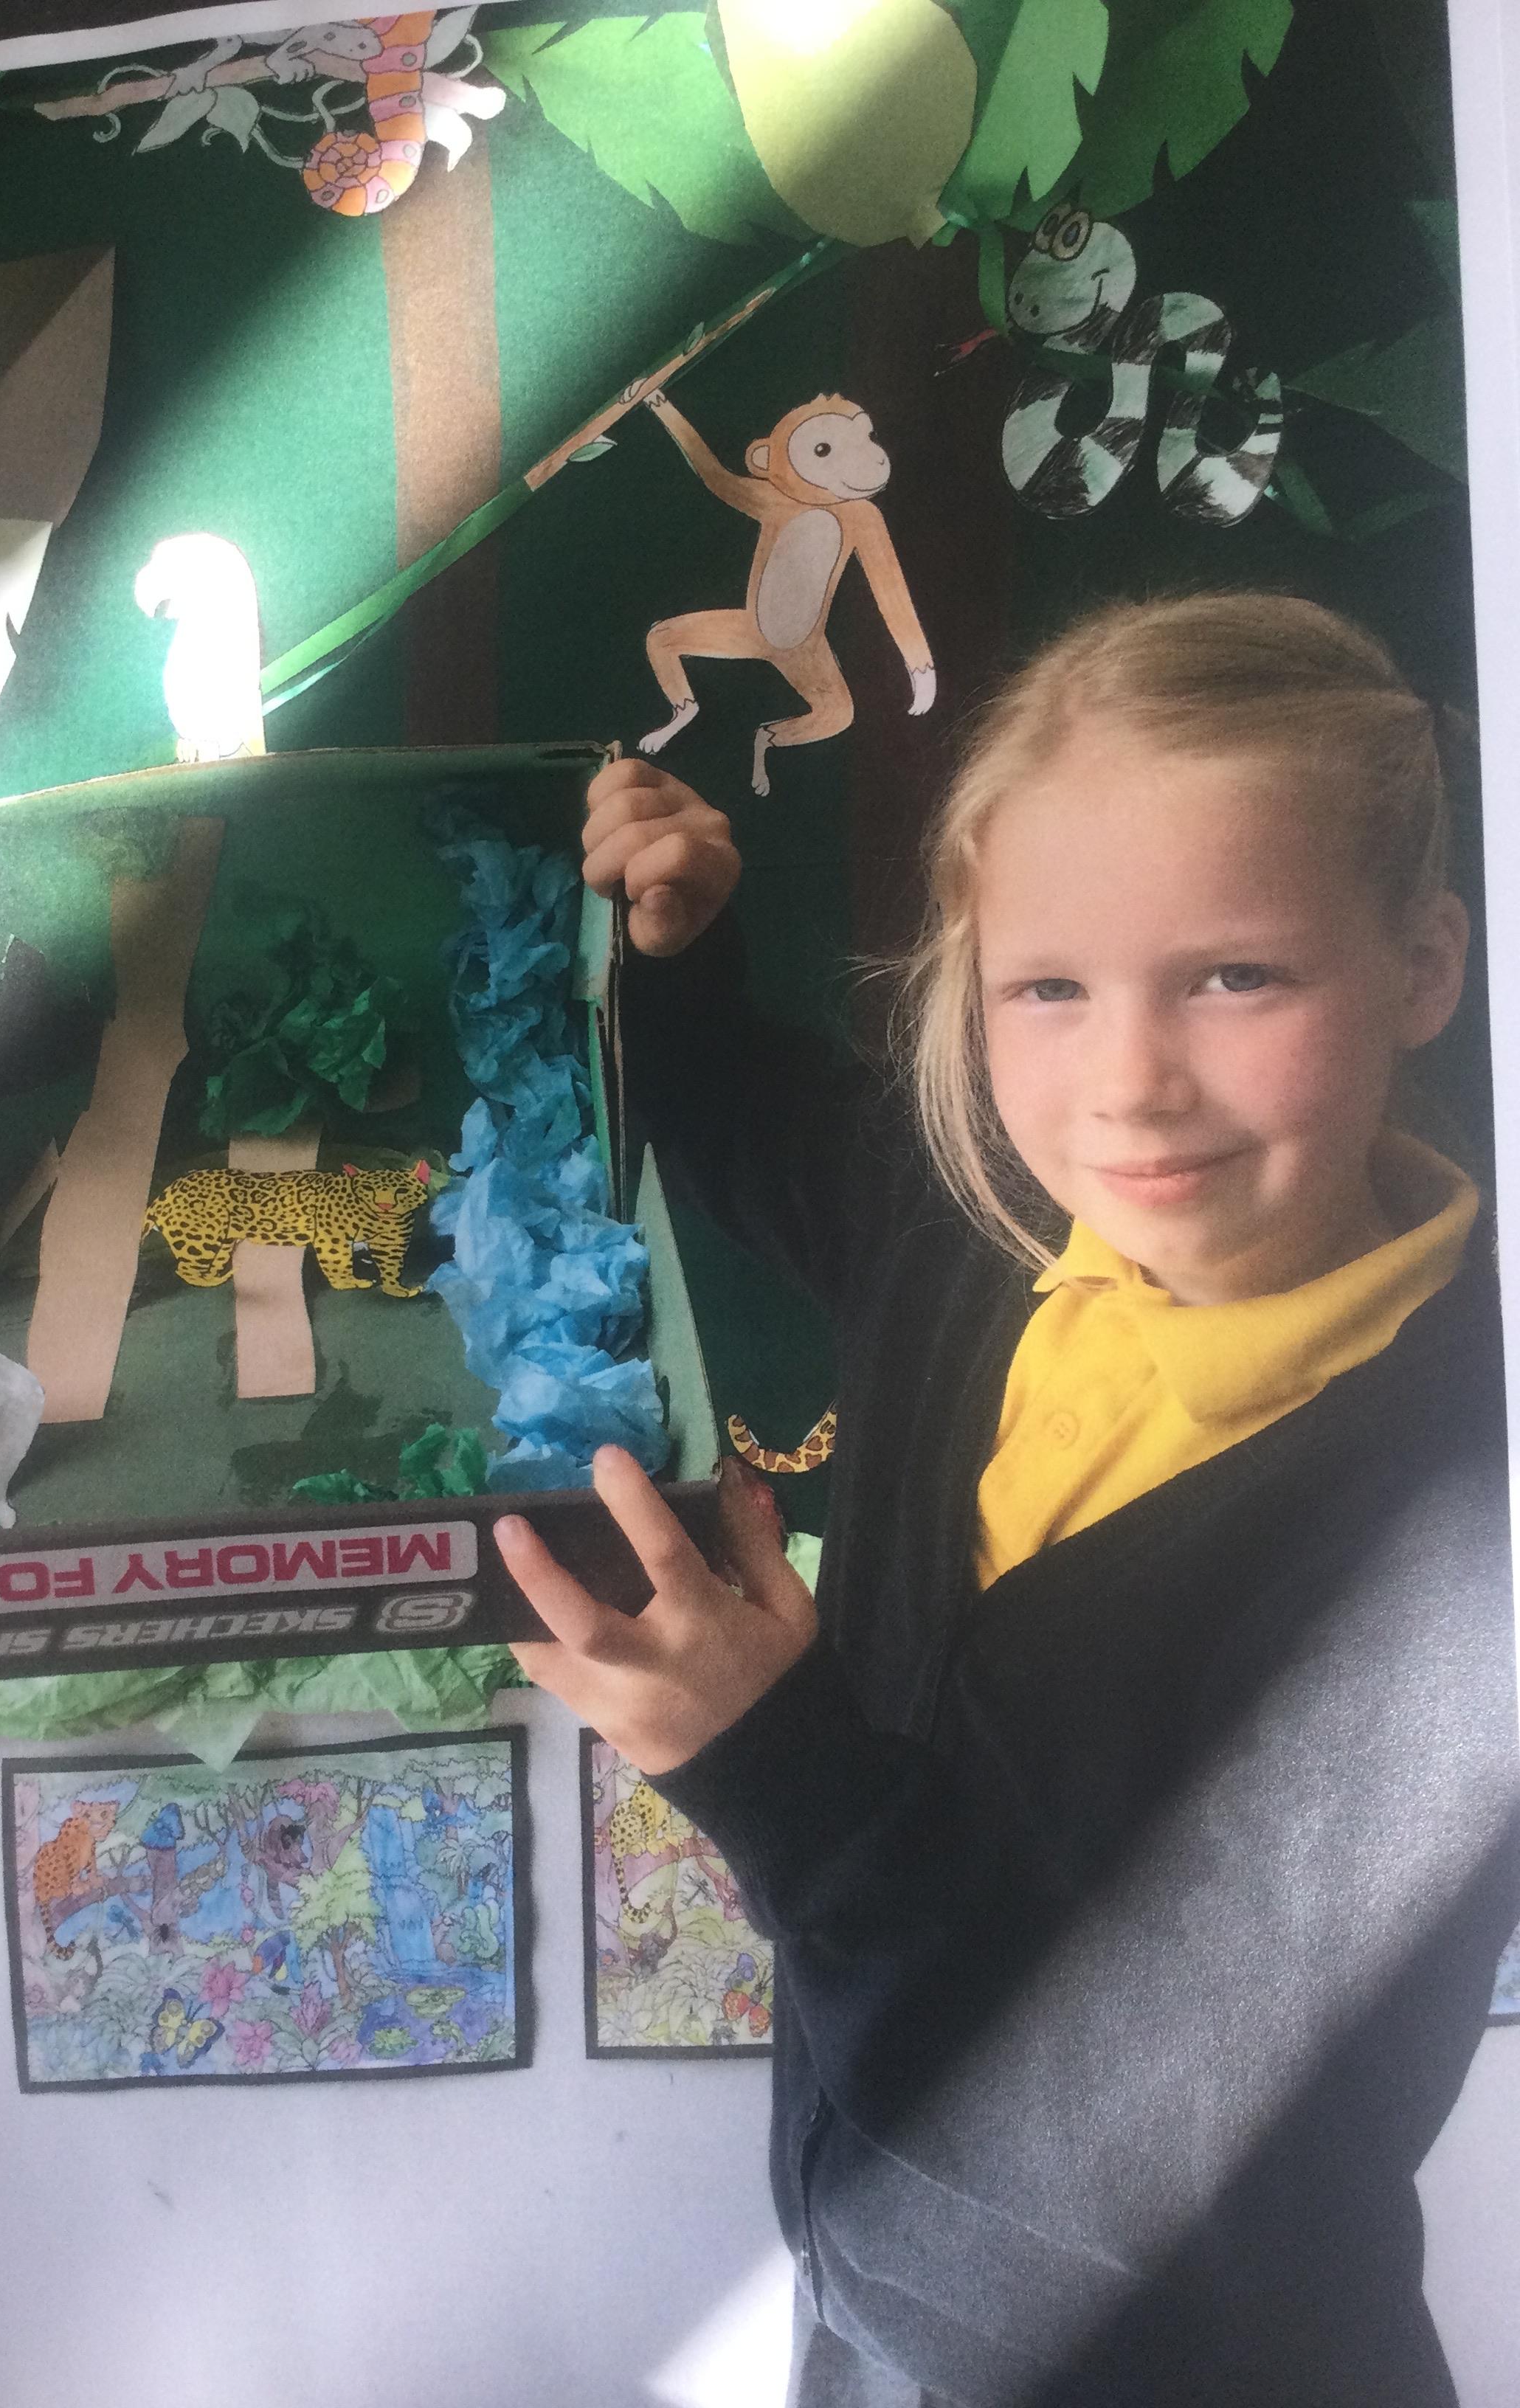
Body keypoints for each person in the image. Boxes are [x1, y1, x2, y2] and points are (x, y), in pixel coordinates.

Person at [492, 593, 1520, 2407]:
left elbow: (1154, 2173)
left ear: (1427, 967)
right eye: (1049, 989)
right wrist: (680, 951)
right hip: (877, 2311)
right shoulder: (984, 1231)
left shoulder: (1459, 1550)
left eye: (1237, 976)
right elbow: (761, 1131)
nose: (1128, 1087)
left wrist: (783, 1777)